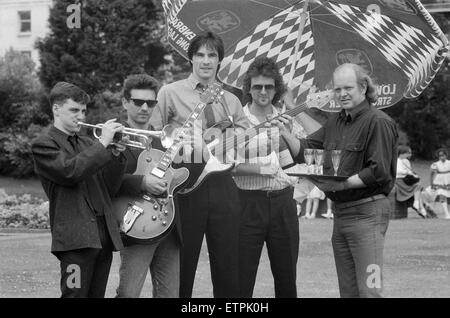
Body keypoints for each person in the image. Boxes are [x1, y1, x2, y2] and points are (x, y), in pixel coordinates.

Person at [270, 63, 398, 297]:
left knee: (370, 290)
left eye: (348, 88)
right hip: (341, 215)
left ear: (363, 87)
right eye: (338, 90)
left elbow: (379, 171)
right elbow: (308, 151)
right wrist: (286, 133)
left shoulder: (378, 121)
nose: (342, 94)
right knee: (348, 292)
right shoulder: (336, 122)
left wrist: (343, 183)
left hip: (368, 213)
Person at [156, 31, 250, 298]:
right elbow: (155, 137)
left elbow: (245, 142)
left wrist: (227, 137)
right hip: (185, 185)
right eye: (200, 54)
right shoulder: (170, 93)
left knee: (228, 265)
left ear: (220, 60)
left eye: (212, 55)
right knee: (182, 265)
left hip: (224, 186)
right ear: (191, 58)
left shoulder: (231, 100)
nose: (206, 61)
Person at [31, 82, 127, 297]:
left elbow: (109, 187)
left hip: (102, 236)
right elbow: (70, 172)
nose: (81, 117)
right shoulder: (44, 144)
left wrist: (116, 155)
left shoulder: (87, 143)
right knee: (73, 295)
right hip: (75, 243)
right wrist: (102, 144)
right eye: (74, 110)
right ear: (56, 109)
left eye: (83, 111)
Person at [115, 74, 206, 298]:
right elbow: (105, 181)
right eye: (138, 102)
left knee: (170, 295)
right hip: (137, 224)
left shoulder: (163, 140)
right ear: (125, 102)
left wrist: (196, 149)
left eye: (151, 103)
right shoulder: (115, 138)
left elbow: (183, 179)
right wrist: (142, 182)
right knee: (128, 294)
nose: (145, 107)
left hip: (169, 228)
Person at [232, 56, 298, 297]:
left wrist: (288, 136)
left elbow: (295, 163)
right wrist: (260, 170)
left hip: (283, 202)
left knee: (286, 276)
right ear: (249, 88)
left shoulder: (287, 118)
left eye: (269, 86)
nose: (263, 91)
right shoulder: (237, 120)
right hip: (247, 203)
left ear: (276, 89)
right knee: (241, 278)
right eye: (258, 86)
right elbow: (227, 165)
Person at [395, 145, 427, 218]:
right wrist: (408, 172)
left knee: (418, 187)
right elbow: (398, 171)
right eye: (408, 153)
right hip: (400, 181)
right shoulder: (397, 161)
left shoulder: (406, 161)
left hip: (405, 180)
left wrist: (413, 174)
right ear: (402, 153)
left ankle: (420, 207)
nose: (410, 155)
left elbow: (409, 171)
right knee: (418, 186)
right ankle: (418, 205)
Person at [430, 148, 450, 219]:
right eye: (440, 156)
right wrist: (431, 183)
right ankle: (446, 213)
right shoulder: (435, 164)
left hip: (448, 180)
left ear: (446, 155)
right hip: (440, 181)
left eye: (443, 155)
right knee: (442, 196)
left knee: (448, 198)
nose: (442, 157)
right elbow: (432, 174)